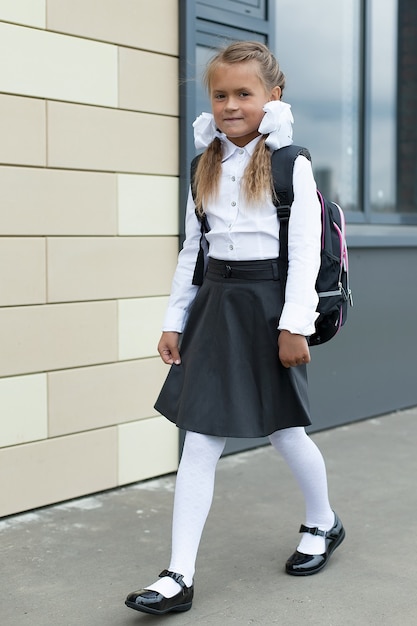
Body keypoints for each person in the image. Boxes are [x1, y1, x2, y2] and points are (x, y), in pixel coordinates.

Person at [125, 40, 345, 616]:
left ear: (272, 95)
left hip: (270, 308)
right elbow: (192, 252)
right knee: (199, 438)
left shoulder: (290, 162)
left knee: (283, 432)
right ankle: (178, 575)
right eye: (220, 94)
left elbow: (303, 253)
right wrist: (175, 319)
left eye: (243, 94)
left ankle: (323, 522)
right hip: (215, 308)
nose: (230, 104)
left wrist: (294, 325)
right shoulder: (205, 164)